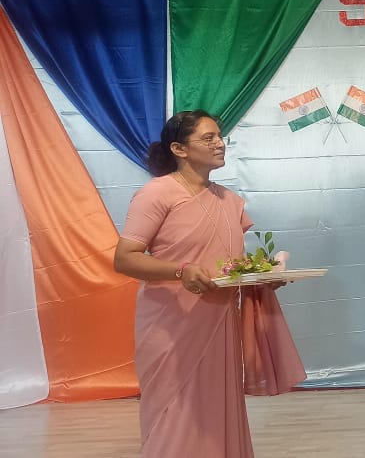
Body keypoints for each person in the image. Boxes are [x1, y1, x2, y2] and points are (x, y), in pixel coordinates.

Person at [113, 110, 304, 458]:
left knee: (218, 411)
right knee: (174, 413)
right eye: (208, 138)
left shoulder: (231, 201)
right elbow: (125, 258)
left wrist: (263, 279)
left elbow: (232, 265)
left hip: (220, 322)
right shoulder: (156, 194)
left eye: (219, 136)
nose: (220, 143)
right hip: (172, 324)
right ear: (179, 149)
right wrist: (181, 270)